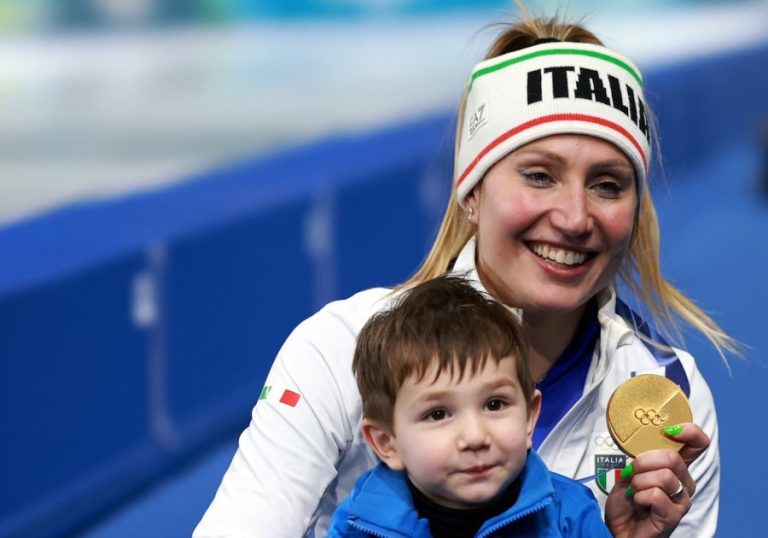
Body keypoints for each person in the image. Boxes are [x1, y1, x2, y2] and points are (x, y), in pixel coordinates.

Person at [195, 6, 738, 538]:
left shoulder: (669, 395)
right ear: (472, 192)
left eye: (607, 185)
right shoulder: (340, 350)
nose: (575, 218)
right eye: (539, 176)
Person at [326, 275, 610, 537]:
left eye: (494, 404)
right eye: (438, 414)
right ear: (387, 442)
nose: (475, 437)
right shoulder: (356, 526)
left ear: (529, 417)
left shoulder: (570, 516)